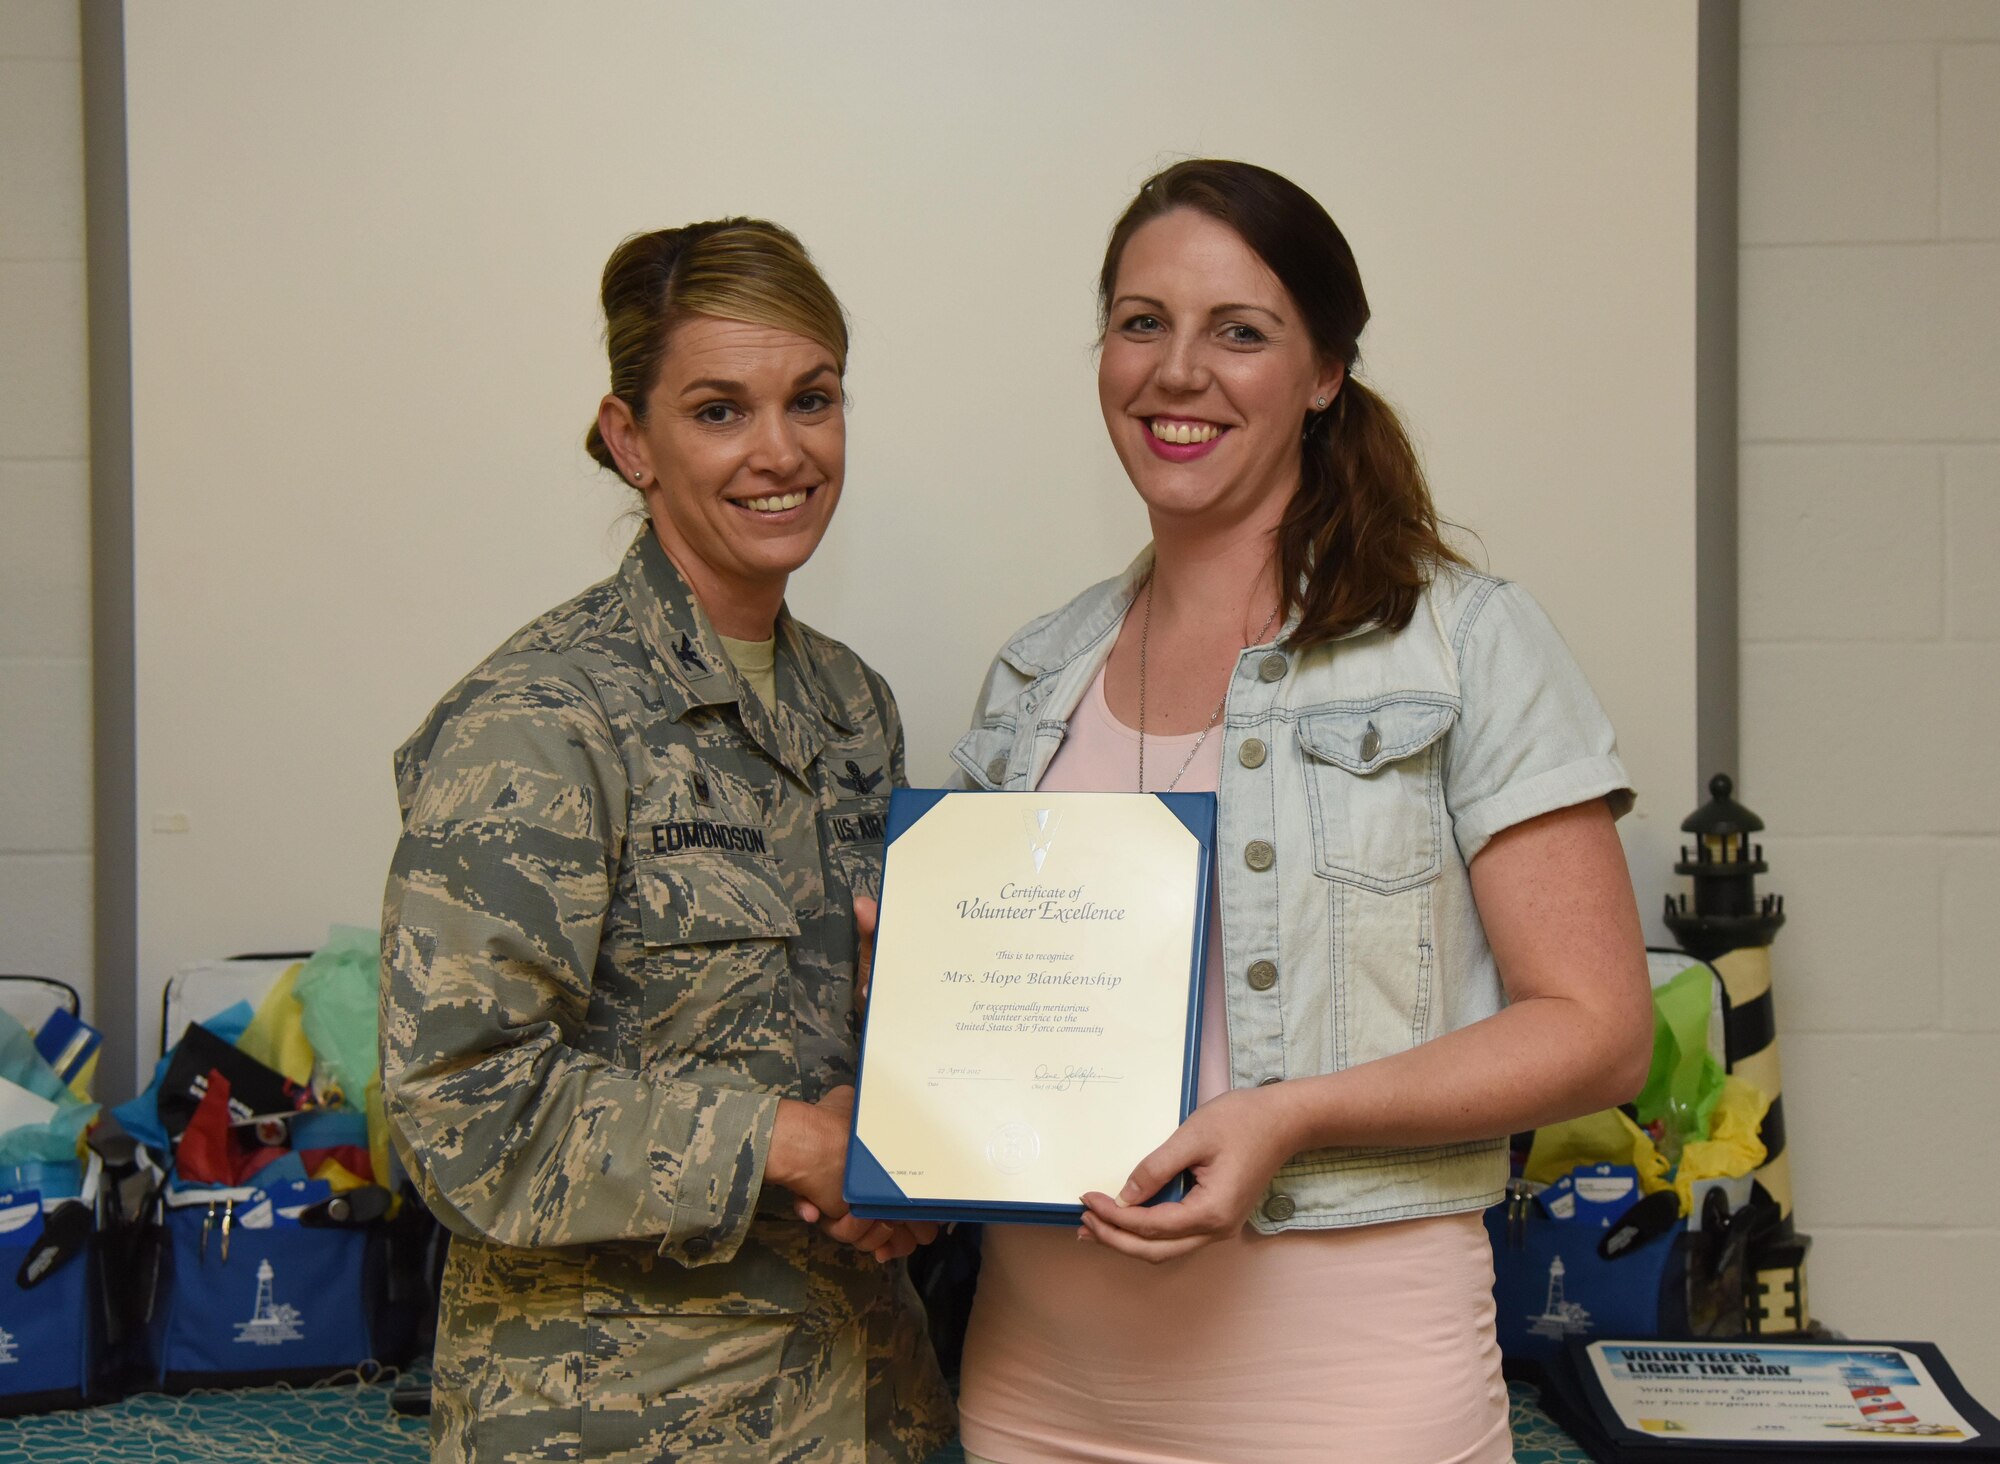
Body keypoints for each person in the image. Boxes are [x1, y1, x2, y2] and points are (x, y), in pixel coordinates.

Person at [949, 160, 1656, 1464]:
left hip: (1348, 1395)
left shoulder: (1466, 646)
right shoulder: (1033, 678)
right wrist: (923, 1004)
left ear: (1325, 371)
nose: (1176, 371)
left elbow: (1604, 1034)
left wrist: (1291, 1114)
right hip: (1040, 1394)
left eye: (1241, 331)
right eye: (1141, 320)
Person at [380, 219, 953, 1464]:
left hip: (865, 1400)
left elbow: (871, 1030)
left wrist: (918, 1170)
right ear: (630, 439)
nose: (780, 452)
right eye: (717, 410)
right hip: (622, 1422)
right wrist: (797, 1144)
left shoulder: (853, 709)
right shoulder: (539, 721)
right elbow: (460, 1115)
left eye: (812, 398)